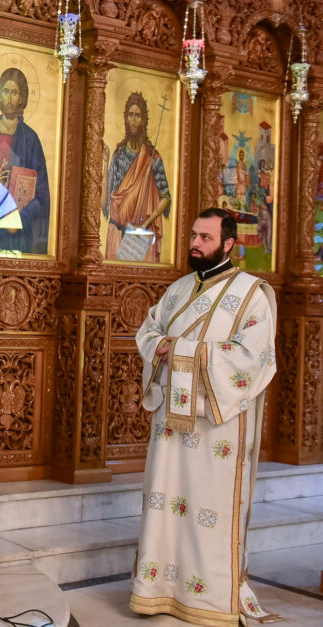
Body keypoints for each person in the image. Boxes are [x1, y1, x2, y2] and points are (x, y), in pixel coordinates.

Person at [130, 207, 280, 625]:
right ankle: (159, 590)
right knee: (165, 502)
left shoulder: (252, 294)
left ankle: (208, 596)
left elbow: (252, 358)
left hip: (217, 429)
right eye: (193, 235)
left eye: (205, 238)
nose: (195, 244)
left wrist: (178, 349)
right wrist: (161, 344)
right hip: (170, 428)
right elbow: (149, 332)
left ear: (229, 244)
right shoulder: (178, 289)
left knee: (206, 509)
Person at [0, 67, 50, 254]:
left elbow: (42, 195)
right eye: (6, 92)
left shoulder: (30, 140)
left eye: (14, 93)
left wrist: (20, 218)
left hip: (14, 234)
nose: (10, 98)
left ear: (22, 98)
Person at [103, 92, 171, 262]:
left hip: (140, 237)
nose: (133, 120)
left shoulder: (152, 157)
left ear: (143, 120)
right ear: (125, 118)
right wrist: (105, 165)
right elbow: (106, 201)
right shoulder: (118, 155)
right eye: (130, 115)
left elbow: (166, 198)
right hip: (117, 234)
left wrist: (145, 224)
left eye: (137, 116)